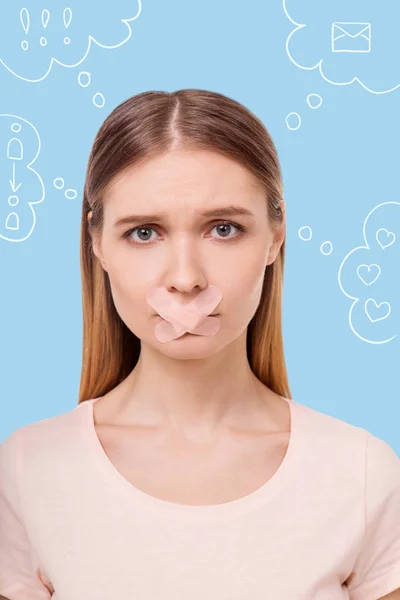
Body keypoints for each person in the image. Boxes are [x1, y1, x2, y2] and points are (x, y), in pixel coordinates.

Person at [1, 89, 399, 600]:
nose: (186, 279)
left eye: (224, 228)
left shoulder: (360, 473)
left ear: (276, 236)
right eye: (145, 233)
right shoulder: (28, 471)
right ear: (97, 243)